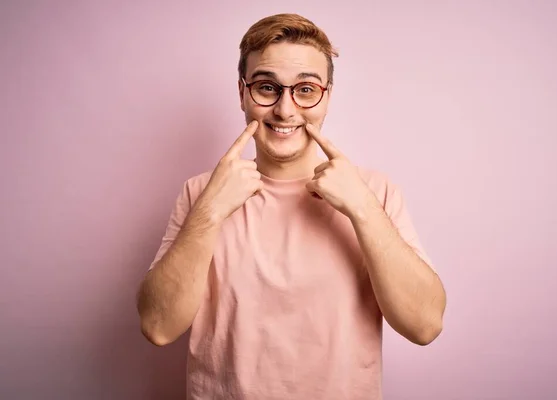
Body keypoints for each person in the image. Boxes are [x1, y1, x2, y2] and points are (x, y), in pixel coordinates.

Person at [136, 13, 446, 400]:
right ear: (242, 94)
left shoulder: (375, 192)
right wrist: (210, 211)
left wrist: (362, 209)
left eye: (305, 89)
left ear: (327, 97)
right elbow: (157, 326)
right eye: (267, 88)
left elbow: (425, 326)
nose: (285, 110)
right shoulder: (201, 193)